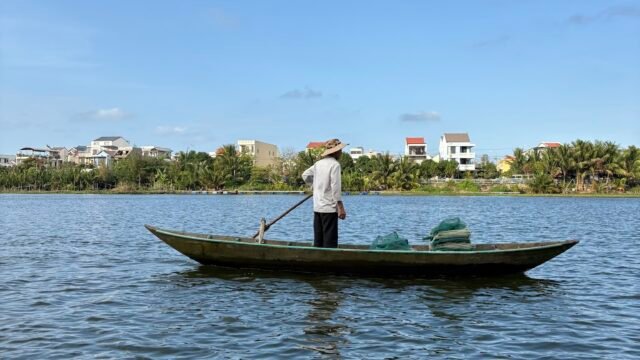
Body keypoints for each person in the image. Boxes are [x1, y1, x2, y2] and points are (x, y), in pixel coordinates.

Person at [301, 139, 347, 248]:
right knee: (330, 241)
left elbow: (305, 175)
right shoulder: (335, 165)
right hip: (329, 208)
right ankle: (328, 261)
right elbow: (335, 187)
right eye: (340, 150)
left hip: (317, 207)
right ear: (335, 152)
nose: (341, 152)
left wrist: (315, 186)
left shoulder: (318, 164)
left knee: (319, 239)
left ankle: (318, 259)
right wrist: (340, 207)